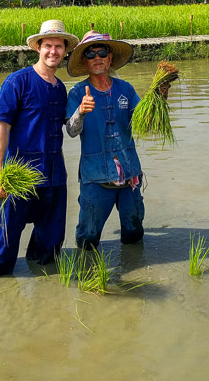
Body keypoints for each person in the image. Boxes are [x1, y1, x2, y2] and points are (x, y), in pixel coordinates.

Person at [0, 19, 80, 277]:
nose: (53, 51)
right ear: (38, 47)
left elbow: (69, 128)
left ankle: (46, 301)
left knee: (50, 247)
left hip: (54, 178)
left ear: (65, 51)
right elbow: (0, 129)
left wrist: (81, 111)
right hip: (19, 178)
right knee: (3, 249)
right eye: (48, 45)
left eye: (59, 46)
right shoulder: (17, 82)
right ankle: (0, 294)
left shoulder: (61, 89)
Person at [65, 30, 151, 250]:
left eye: (102, 52)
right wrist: (81, 111)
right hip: (96, 177)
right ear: (84, 61)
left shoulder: (126, 89)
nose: (97, 57)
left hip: (129, 174)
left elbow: (144, 123)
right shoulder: (76, 93)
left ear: (110, 57)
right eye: (91, 54)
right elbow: (72, 131)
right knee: (88, 238)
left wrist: (159, 99)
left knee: (134, 233)